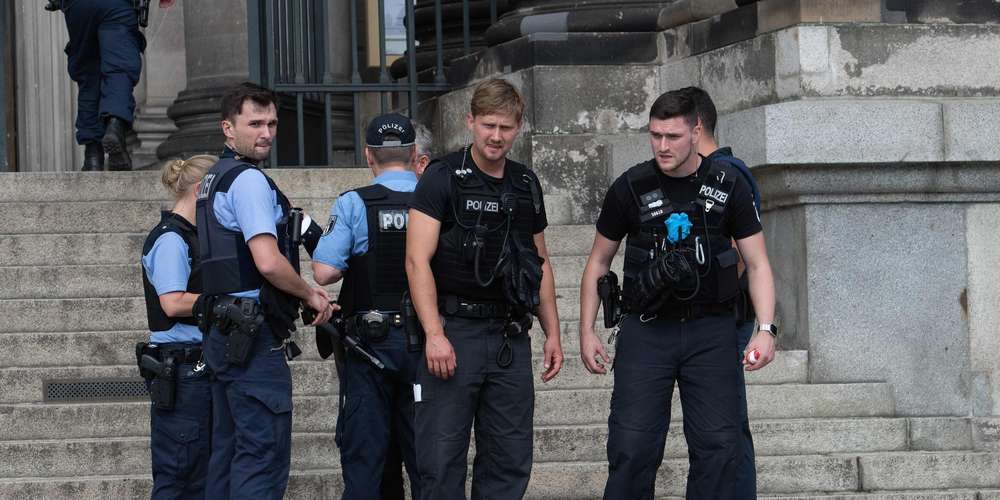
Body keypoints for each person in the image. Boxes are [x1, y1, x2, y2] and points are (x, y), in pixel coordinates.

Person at [578, 89, 778, 499]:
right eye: (655, 136)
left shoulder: (729, 183)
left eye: (672, 136)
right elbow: (598, 262)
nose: (662, 146)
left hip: (711, 332)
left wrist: (766, 329)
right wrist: (586, 330)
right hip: (647, 330)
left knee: (720, 449)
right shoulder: (631, 186)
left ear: (696, 131)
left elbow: (757, 263)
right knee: (632, 449)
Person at [405, 78, 564, 499]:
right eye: (488, 125)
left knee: (509, 461)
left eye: (506, 127)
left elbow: (540, 263)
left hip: (509, 336)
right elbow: (416, 260)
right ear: (470, 121)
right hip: (454, 332)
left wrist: (553, 332)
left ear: (519, 127)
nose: (496, 136)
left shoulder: (526, 183)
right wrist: (434, 334)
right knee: (440, 461)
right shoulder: (442, 178)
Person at [196, 82, 335, 500]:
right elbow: (269, 261)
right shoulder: (248, 181)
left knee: (227, 452)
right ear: (228, 127)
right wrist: (311, 295)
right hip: (251, 338)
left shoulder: (211, 179)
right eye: (254, 123)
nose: (267, 133)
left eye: (272, 122)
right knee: (261, 456)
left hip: (224, 331)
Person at [311, 112, 423, 500]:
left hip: (369, 347)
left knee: (365, 463)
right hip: (426, 344)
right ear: (414, 153)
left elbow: (324, 273)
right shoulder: (435, 200)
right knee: (427, 460)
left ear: (368, 156)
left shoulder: (354, 204)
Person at [680, 85, 763, 499]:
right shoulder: (711, 172)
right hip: (719, 318)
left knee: (727, 427)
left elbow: (740, 257)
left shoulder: (727, 174)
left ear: (695, 128)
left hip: (724, 315)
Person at [138, 154, 215, 499]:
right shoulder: (172, 238)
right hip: (184, 369)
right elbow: (172, 302)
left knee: (202, 475)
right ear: (201, 190)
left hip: (198, 366)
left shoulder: (194, 235)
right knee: (181, 477)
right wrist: (218, 304)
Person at [54, 0, 175, 171]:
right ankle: (115, 125)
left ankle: (93, 157)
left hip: (77, 7)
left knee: (89, 77)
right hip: (115, 5)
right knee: (119, 69)